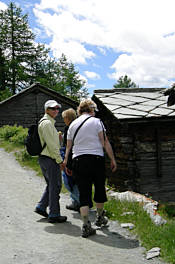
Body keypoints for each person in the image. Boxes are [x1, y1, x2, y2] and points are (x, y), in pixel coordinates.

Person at [64, 99, 117, 238]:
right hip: (96, 159)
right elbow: (104, 142)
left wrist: (66, 163)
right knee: (99, 188)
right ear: (91, 109)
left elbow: (69, 147)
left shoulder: (72, 124)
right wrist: (112, 159)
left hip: (78, 161)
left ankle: (86, 224)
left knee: (84, 192)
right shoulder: (97, 122)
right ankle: (100, 218)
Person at [34, 100, 67, 223]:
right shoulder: (47, 123)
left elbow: (50, 142)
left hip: (44, 158)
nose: (56, 111)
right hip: (50, 159)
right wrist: (60, 161)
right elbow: (52, 146)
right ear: (46, 109)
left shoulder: (45, 122)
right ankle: (54, 214)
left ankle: (41, 206)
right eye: (53, 108)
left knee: (51, 185)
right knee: (56, 186)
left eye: (58, 108)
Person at [60, 108, 81, 211]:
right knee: (75, 181)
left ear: (68, 118)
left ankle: (79, 202)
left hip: (70, 156)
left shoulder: (69, 128)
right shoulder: (78, 126)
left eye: (64, 118)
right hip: (78, 156)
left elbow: (69, 146)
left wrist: (67, 162)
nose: (64, 120)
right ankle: (77, 202)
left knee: (69, 181)